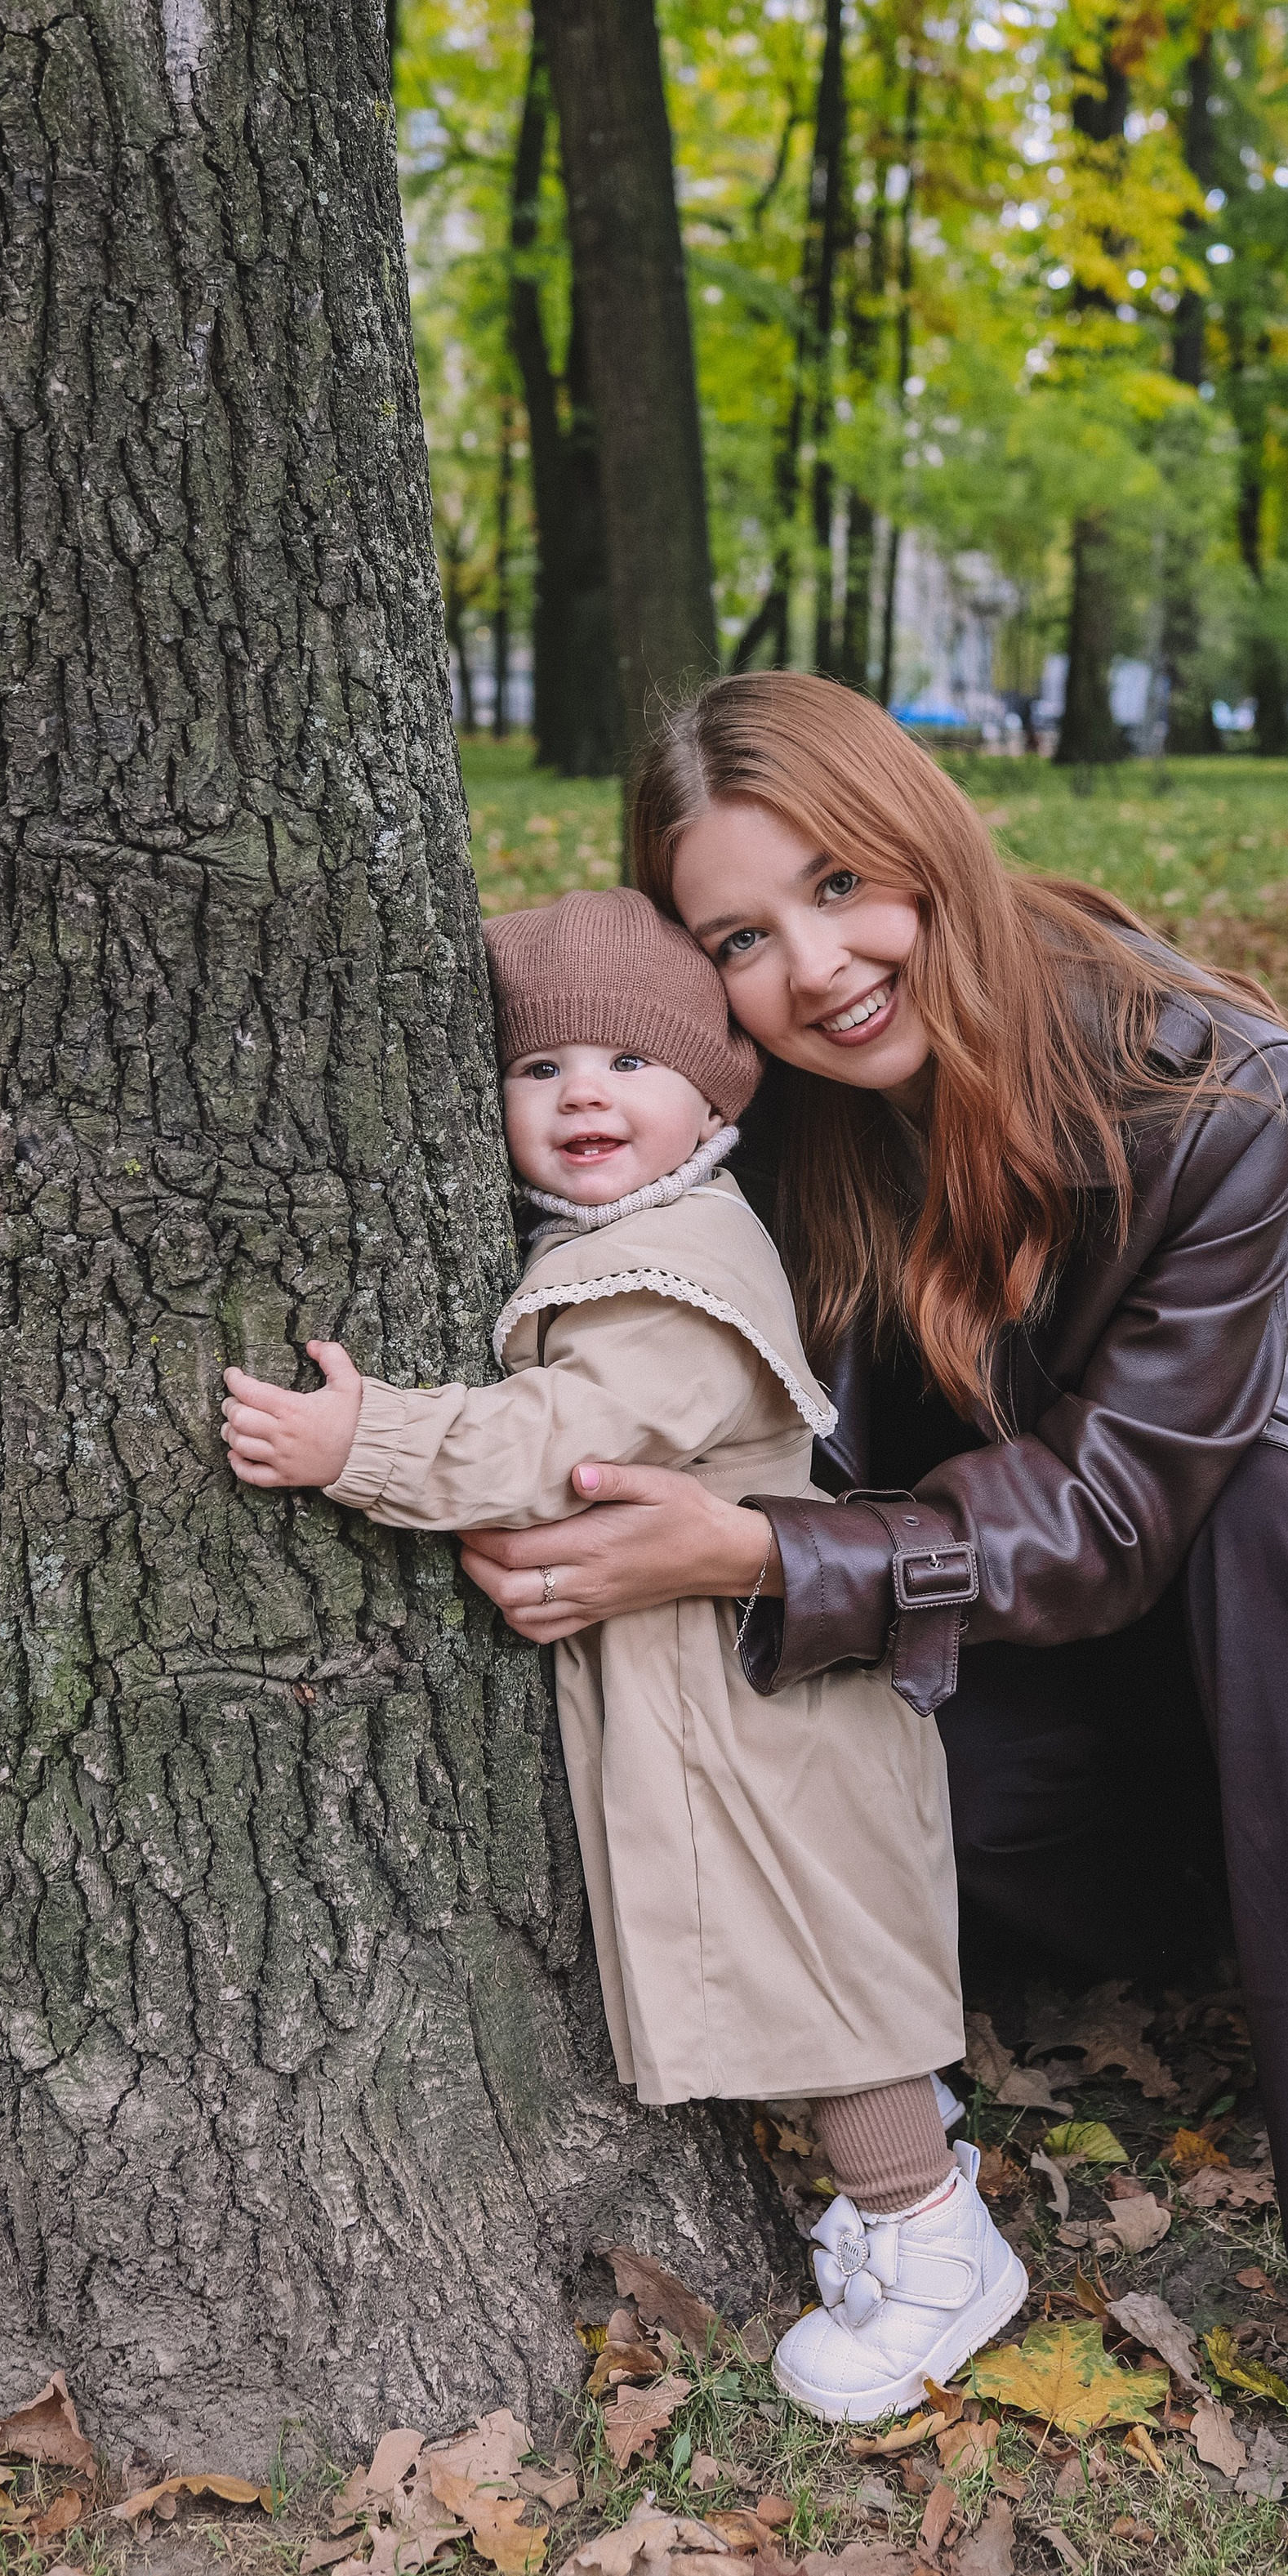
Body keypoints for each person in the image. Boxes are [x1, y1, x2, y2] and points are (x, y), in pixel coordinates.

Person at [457, 678, 1288, 2576]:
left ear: (928, 841)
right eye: (741, 933)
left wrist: (746, 1550)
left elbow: (1110, 1517)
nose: (814, 968)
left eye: (843, 884)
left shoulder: (1207, 1081)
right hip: (1061, 1720)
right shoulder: (768, 1126)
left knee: (1259, 1503)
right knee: (915, 1781)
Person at [217, 888, 1027, 2422]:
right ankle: (901, 2209)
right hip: (726, 1703)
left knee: (828, 1992)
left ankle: (933, 2243)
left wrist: (361, 1438)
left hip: (769, 1726)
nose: (583, 1092)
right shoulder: (626, 1235)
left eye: (627, 1063)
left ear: (715, 1093)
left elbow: (557, 1440)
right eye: (539, 1069)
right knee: (814, 1980)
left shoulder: (682, 1269)